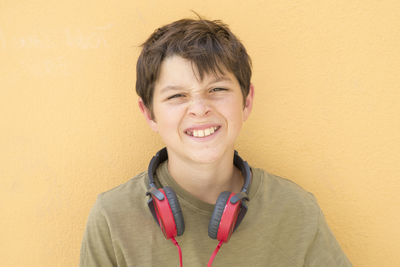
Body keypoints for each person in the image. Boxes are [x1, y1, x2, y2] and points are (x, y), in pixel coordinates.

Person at [79, 16, 352, 267]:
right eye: (177, 96)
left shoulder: (296, 210)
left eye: (217, 89)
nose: (199, 109)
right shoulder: (111, 217)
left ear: (246, 102)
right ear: (149, 114)